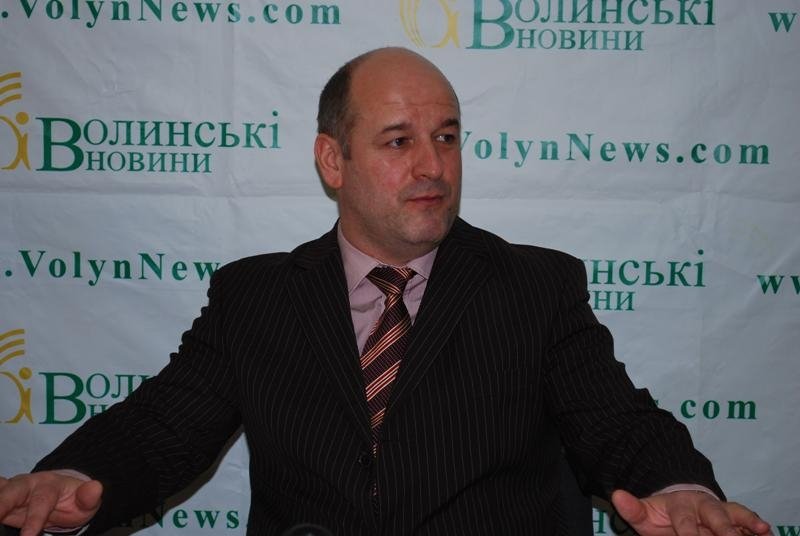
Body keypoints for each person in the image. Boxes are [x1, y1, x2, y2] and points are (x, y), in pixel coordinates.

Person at [0, 47, 771, 536]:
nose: (433, 166)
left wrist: (679, 487)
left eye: (447, 137)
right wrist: (74, 477)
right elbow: (162, 426)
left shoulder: (536, 286)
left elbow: (616, 421)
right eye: (399, 142)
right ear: (332, 161)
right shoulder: (254, 297)